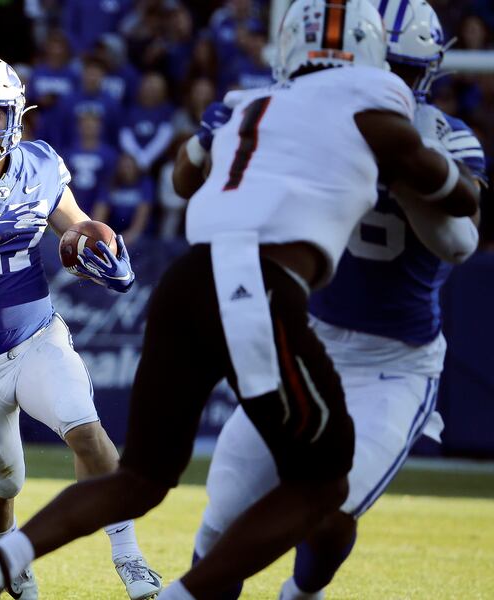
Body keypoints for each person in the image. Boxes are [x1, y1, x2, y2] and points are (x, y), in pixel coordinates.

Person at [0, 1, 481, 599]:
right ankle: (186, 594)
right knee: (325, 480)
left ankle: (3, 558)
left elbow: (183, 176)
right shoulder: (380, 116)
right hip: (257, 289)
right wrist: (409, 163)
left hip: (191, 277)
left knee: (145, 476)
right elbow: (463, 211)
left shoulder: (248, 103)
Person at [189, 2, 489, 599]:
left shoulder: (442, 136)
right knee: (222, 512)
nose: (392, 86)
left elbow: (460, 241)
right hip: (306, 340)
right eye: (385, 68)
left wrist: (400, 172)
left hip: (393, 365)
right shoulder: (296, 118)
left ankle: (302, 594)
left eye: (404, 73)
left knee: (328, 508)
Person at [0, 54, 162, 600]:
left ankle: (130, 558)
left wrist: (107, 252)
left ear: (15, 114)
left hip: (37, 338)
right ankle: (5, 543)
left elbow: (80, 225)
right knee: (3, 482)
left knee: (87, 431)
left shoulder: (41, 163)